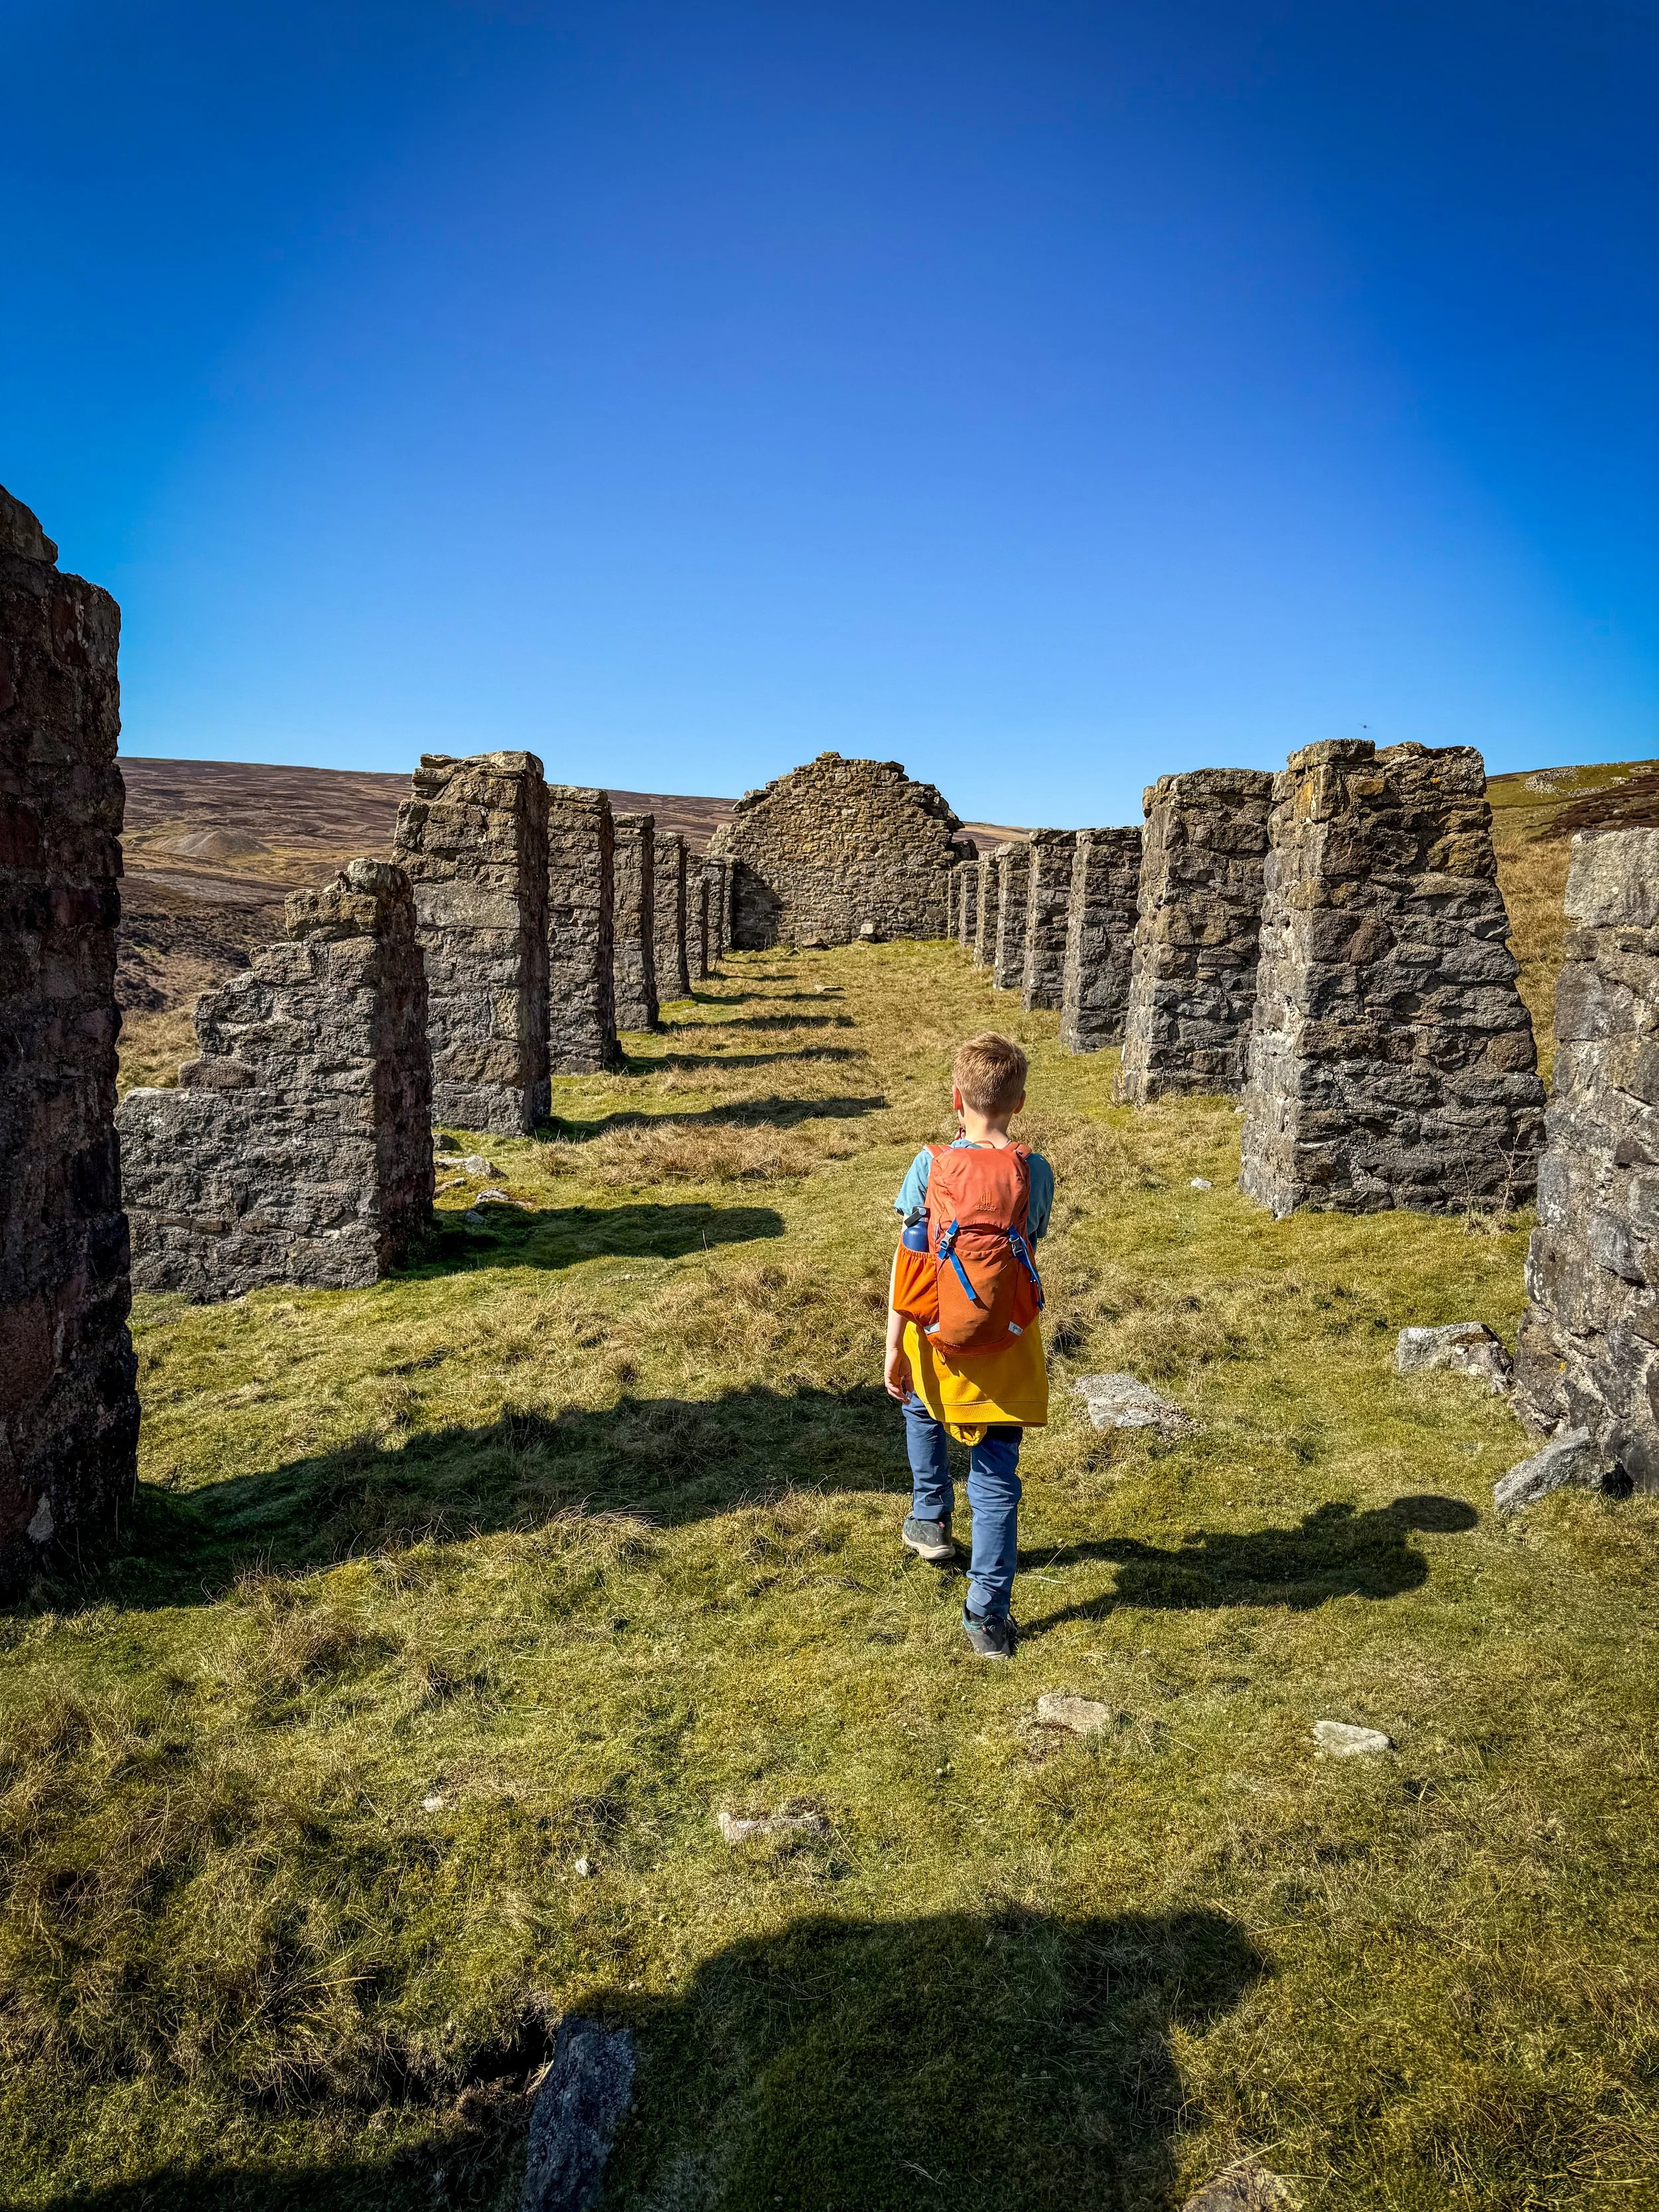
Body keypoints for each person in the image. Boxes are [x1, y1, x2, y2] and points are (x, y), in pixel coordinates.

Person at [883, 1033, 1053, 1659]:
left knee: (919, 1403)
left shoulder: (929, 1167)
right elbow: (1031, 1240)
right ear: (1019, 1102)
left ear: (957, 1098)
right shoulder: (1035, 1171)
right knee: (997, 1476)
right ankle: (987, 1616)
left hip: (937, 1334)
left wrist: (895, 1346)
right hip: (1007, 1338)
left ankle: (930, 1518)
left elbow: (910, 1263)